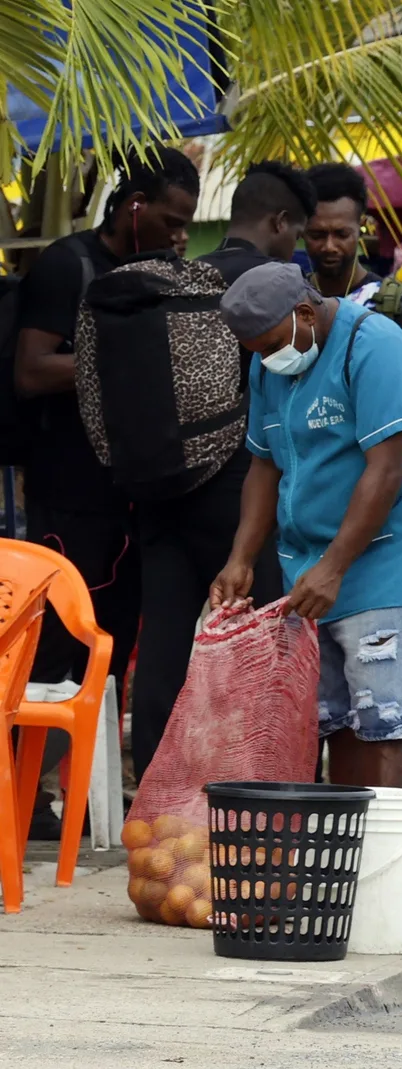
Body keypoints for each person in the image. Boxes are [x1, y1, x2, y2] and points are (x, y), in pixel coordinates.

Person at [210, 262, 402, 790]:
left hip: (381, 561)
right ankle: (342, 854)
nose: (267, 360)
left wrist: (335, 567)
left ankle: (380, 863)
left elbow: (387, 471)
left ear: (305, 312)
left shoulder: (376, 346)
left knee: (382, 722)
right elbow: (265, 465)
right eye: (257, 353)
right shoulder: (270, 363)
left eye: (271, 345)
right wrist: (241, 558)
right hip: (308, 569)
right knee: (333, 716)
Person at [123, 162, 314, 778]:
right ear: (280, 222)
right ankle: (246, 790)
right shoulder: (273, 288)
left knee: (165, 643)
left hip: (160, 486)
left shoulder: (181, 276)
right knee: (254, 646)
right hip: (238, 493)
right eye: (298, 233)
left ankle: (154, 798)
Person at [13, 148, 199, 705]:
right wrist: (121, 358)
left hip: (132, 496)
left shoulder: (155, 273)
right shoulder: (67, 264)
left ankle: (90, 788)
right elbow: (31, 369)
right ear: (135, 207)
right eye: (171, 222)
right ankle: (30, 782)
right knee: (54, 643)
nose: (178, 236)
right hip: (68, 496)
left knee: (110, 646)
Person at [301, 163, 402, 366]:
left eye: (342, 234)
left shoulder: (396, 306)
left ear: (361, 226)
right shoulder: (292, 298)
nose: (329, 246)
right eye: (317, 235)